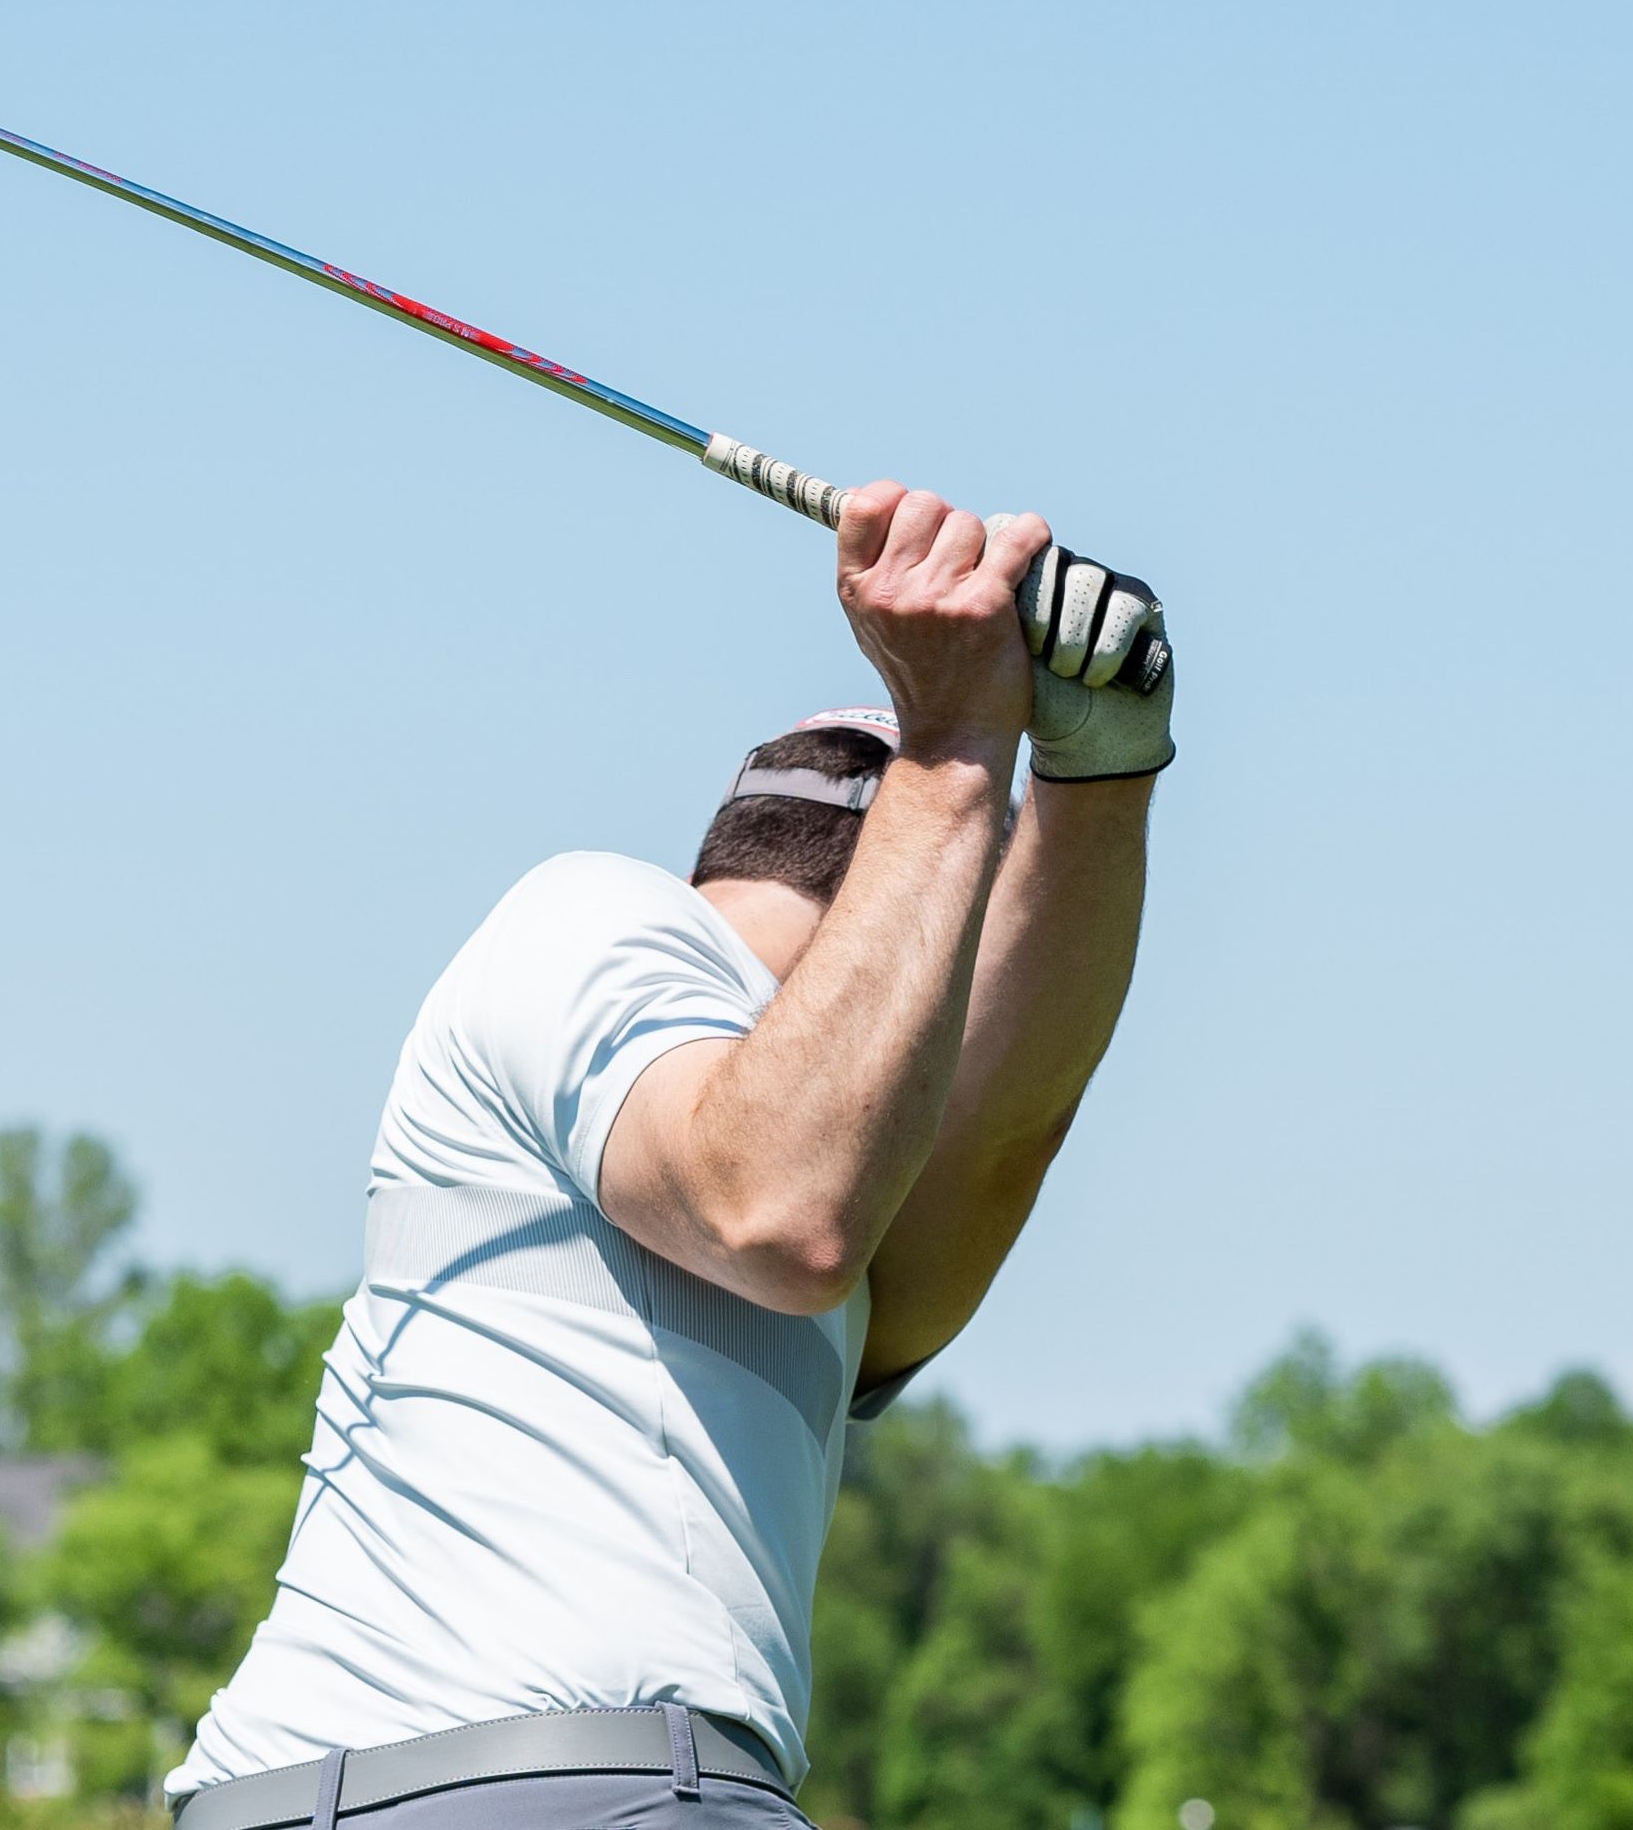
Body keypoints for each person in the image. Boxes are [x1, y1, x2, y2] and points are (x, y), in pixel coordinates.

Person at [169, 483, 1172, 1830]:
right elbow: (780, 1204)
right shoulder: (589, 921)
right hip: (478, 1779)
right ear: (905, 915)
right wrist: (956, 750)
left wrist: (1102, 780)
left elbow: (998, 1134)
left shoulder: (846, 1249)